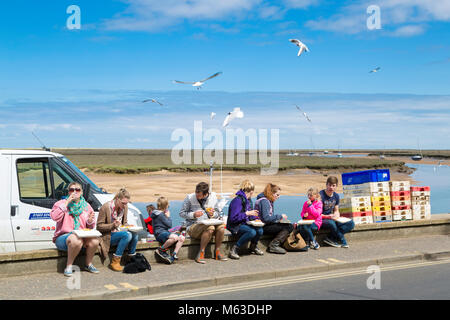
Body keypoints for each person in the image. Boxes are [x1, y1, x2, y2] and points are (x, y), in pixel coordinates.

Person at [50, 182, 100, 277]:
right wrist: (67, 202)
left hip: (81, 236)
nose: (74, 192)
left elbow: (90, 227)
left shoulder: (86, 206)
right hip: (63, 237)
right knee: (75, 239)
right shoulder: (60, 203)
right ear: (68, 192)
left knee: (94, 240)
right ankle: (69, 266)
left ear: (81, 192)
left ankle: (88, 264)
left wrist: (90, 221)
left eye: (77, 190)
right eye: (71, 190)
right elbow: (54, 217)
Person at [179, 182, 227, 264]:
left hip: (209, 223)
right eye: (196, 193)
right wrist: (194, 214)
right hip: (193, 226)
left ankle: (217, 252)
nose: (197, 196)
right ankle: (201, 253)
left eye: (199, 195)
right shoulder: (189, 197)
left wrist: (213, 214)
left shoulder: (213, 197)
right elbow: (182, 213)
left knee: (221, 228)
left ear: (205, 194)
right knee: (210, 228)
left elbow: (218, 213)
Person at [96, 188, 139, 271]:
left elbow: (124, 223)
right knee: (127, 235)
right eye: (123, 203)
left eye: (126, 203)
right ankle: (115, 261)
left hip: (118, 233)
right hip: (107, 236)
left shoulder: (124, 207)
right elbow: (99, 226)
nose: (125, 205)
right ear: (117, 199)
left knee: (135, 235)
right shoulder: (105, 207)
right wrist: (112, 225)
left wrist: (129, 226)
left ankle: (131, 259)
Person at [226, 180, 264, 259]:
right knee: (251, 232)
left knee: (260, 230)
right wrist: (247, 214)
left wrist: (255, 218)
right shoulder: (237, 201)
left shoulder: (248, 201)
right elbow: (233, 219)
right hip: (235, 225)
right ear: (251, 192)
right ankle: (234, 249)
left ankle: (253, 246)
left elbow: (250, 215)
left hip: (244, 223)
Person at [255, 183, 293, 254]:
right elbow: (266, 218)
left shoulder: (267, 200)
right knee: (289, 226)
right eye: (277, 195)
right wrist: (280, 216)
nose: (278, 197)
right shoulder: (264, 201)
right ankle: (274, 245)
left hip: (264, 225)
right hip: (262, 227)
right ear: (271, 193)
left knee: (286, 225)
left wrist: (277, 220)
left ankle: (276, 244)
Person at [320, 176, 355, 248]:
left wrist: (336, 215)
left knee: (351, 223)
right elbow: (318, 214)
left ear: (336, 186)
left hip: (331, 217)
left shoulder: (336, 196)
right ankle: (342, 240)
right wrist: (329, 216)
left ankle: (331, 238)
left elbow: (336, 210)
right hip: (322, 218)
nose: (331, 187)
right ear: (326, 185)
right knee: (332, 223)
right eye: (329, 185)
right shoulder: (321, 195)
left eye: (333, 186)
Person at [152, 196, 185, 264]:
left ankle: (174, 255)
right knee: (175, 237)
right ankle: (161, 250)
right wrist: (168, 216)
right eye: (168, 205)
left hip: (164, 233)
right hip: (160, 234)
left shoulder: (158, 213)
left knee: (182, 237)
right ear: (165, 206)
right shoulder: (160, 214)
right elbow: (169, 225)